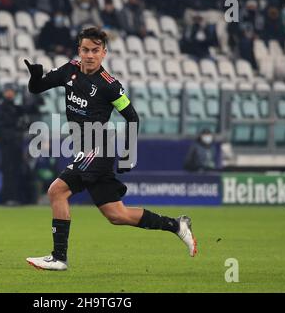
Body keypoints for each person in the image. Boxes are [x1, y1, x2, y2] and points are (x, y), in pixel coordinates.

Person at [24, 27, 197, 271]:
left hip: (99, 148)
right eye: (85, 50)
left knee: (56, 192)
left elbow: (133, 117)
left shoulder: (110, 86)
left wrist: (128, 153)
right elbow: (36, 88)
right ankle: (176, 225)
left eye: (95, 50)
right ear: (79, 51)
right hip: (84, 149)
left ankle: (59, 257)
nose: (90, 55)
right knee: (117, 215)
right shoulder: (68, 71)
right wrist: (34, 76)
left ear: (104, 53)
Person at [0, 83, 27, 205]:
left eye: (12, 91)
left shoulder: (16, 108)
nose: (10, 94)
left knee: (17, 170)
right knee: (7, 171)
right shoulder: (0, 108)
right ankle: (7, 198)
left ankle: (16, 197)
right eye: (7, 91)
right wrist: (7, 129)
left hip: (17, 144)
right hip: (5, 145)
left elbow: (25, 121)